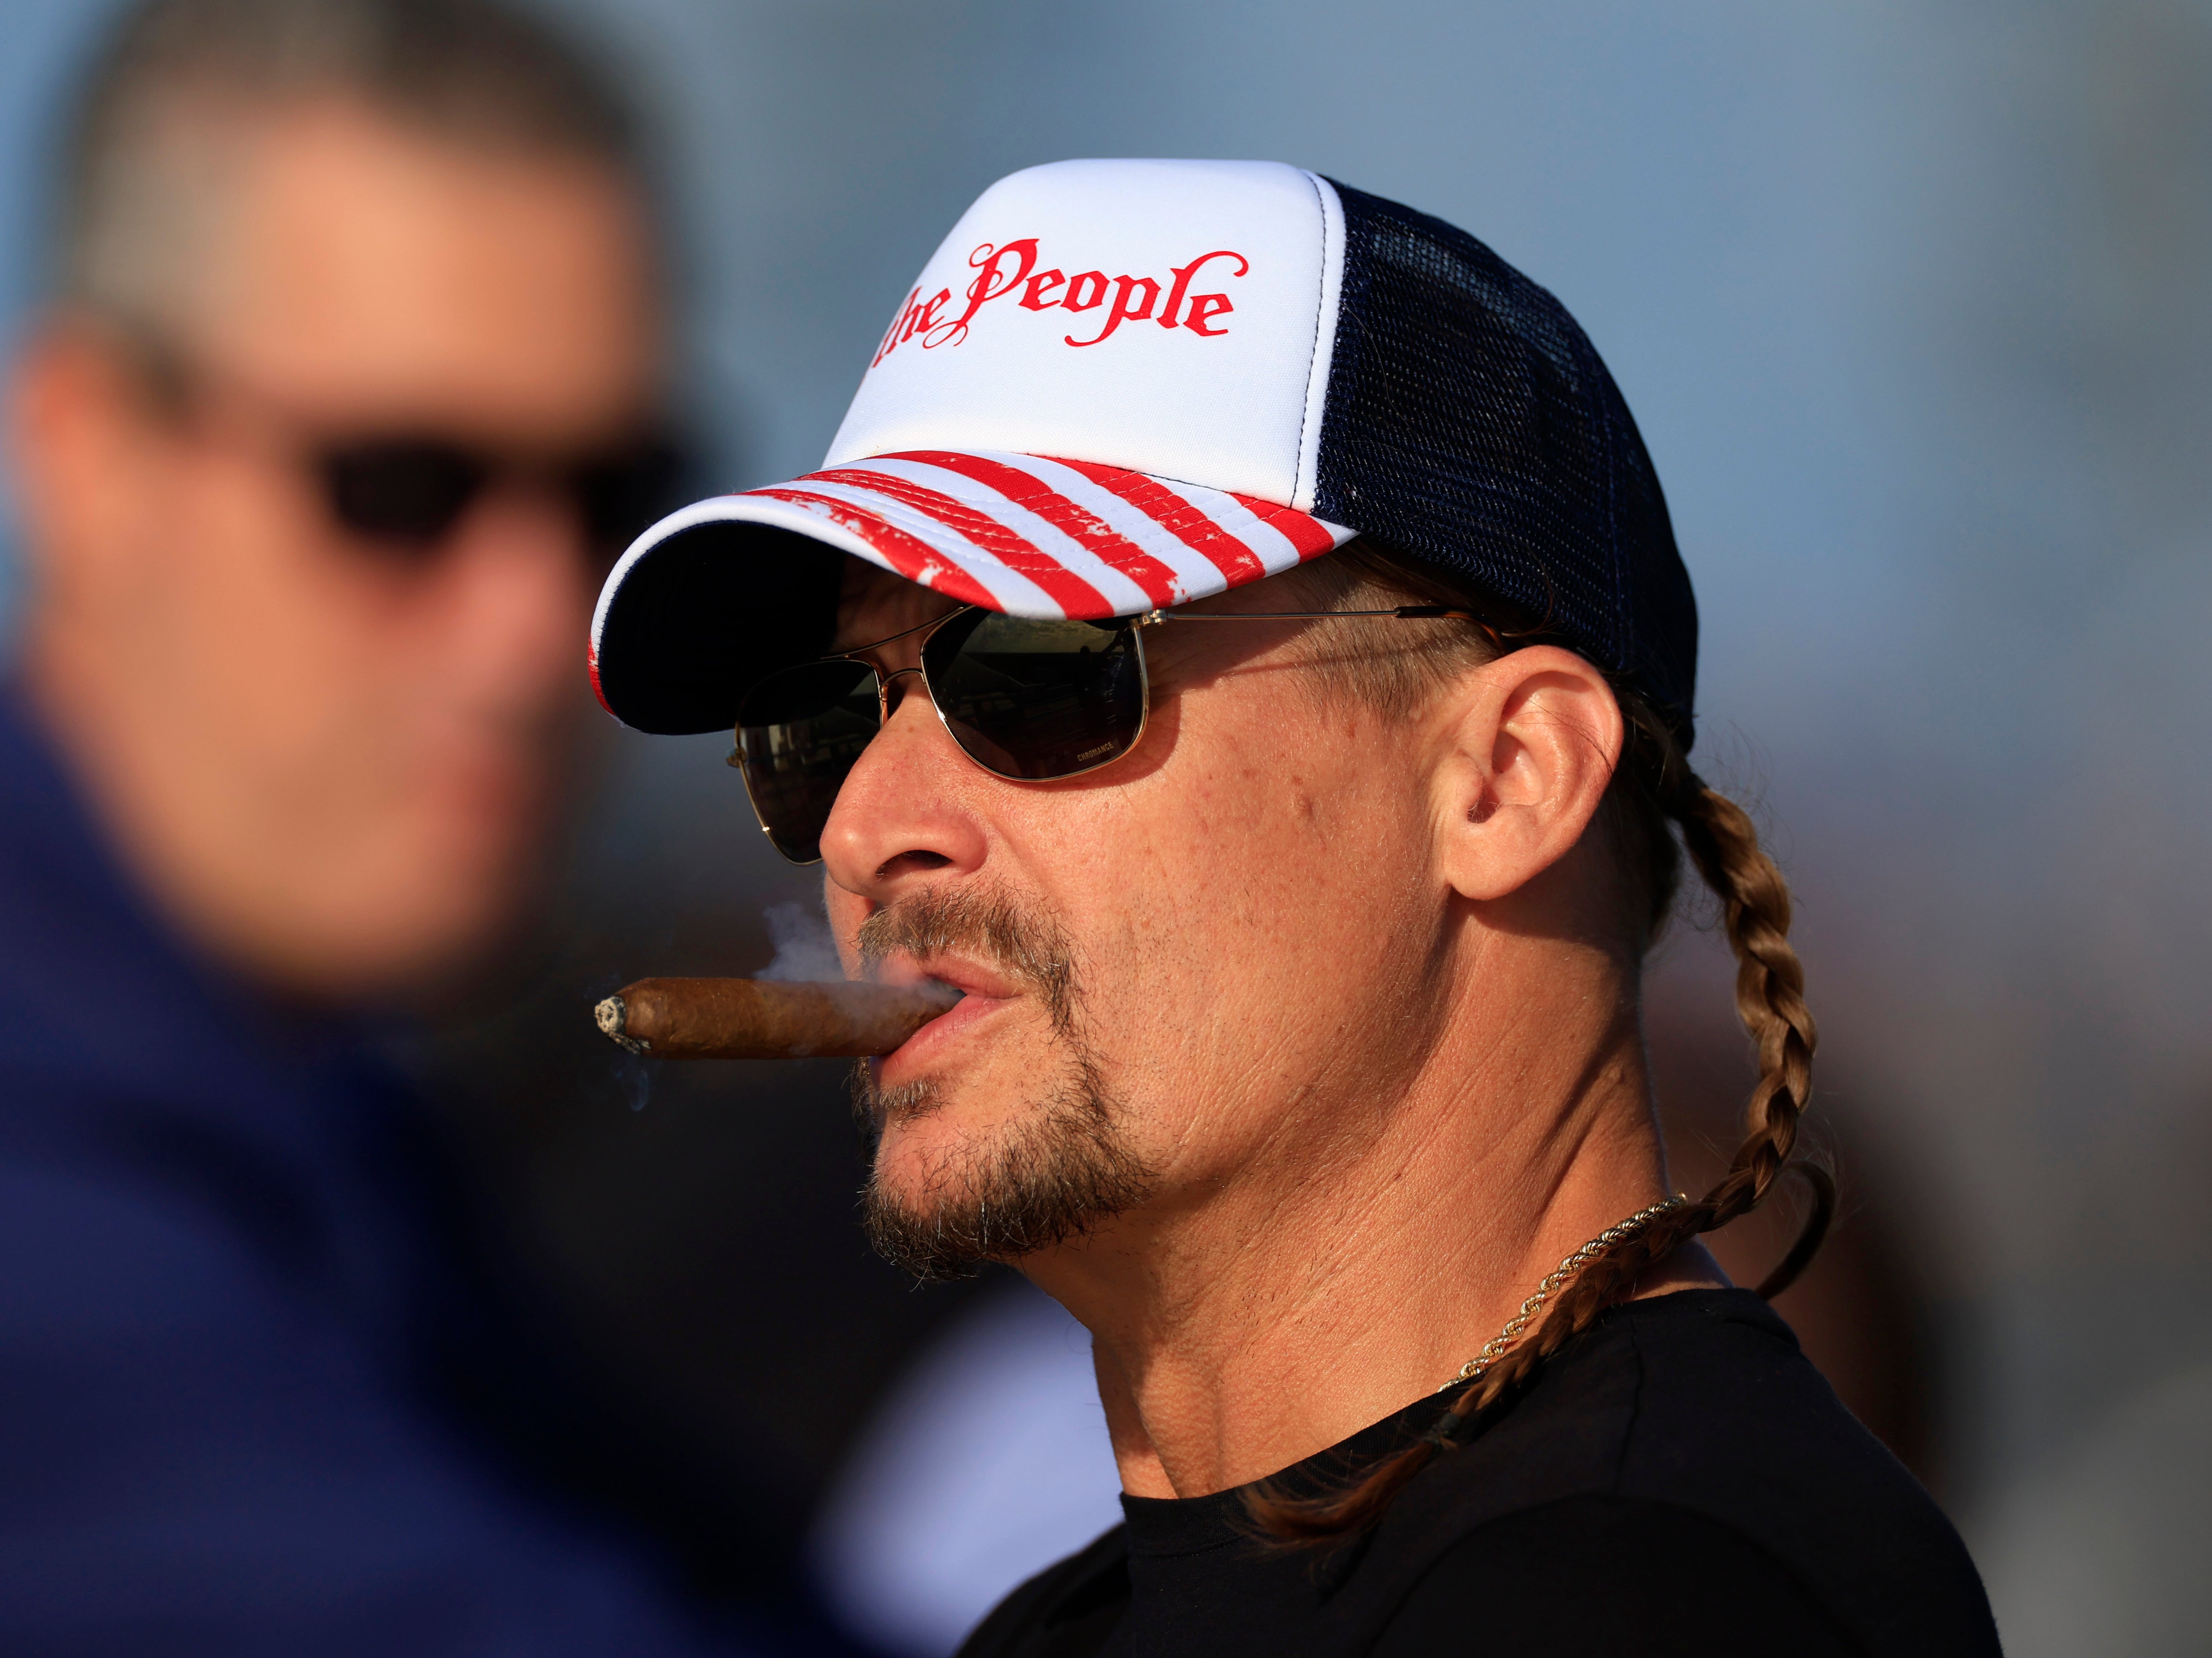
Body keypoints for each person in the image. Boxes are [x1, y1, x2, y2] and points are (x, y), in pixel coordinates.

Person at [589, 159, 2003, 1654]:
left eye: (1042, 667)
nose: (870, 826)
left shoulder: (1642, 1594)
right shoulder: (1055, 1629)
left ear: (1507, 774)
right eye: (827, 720)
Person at [0, 0, 792, 1651]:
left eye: (607, 495)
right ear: (85, 452)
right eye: (397, 487)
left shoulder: (326, 1105)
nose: (530, 625)